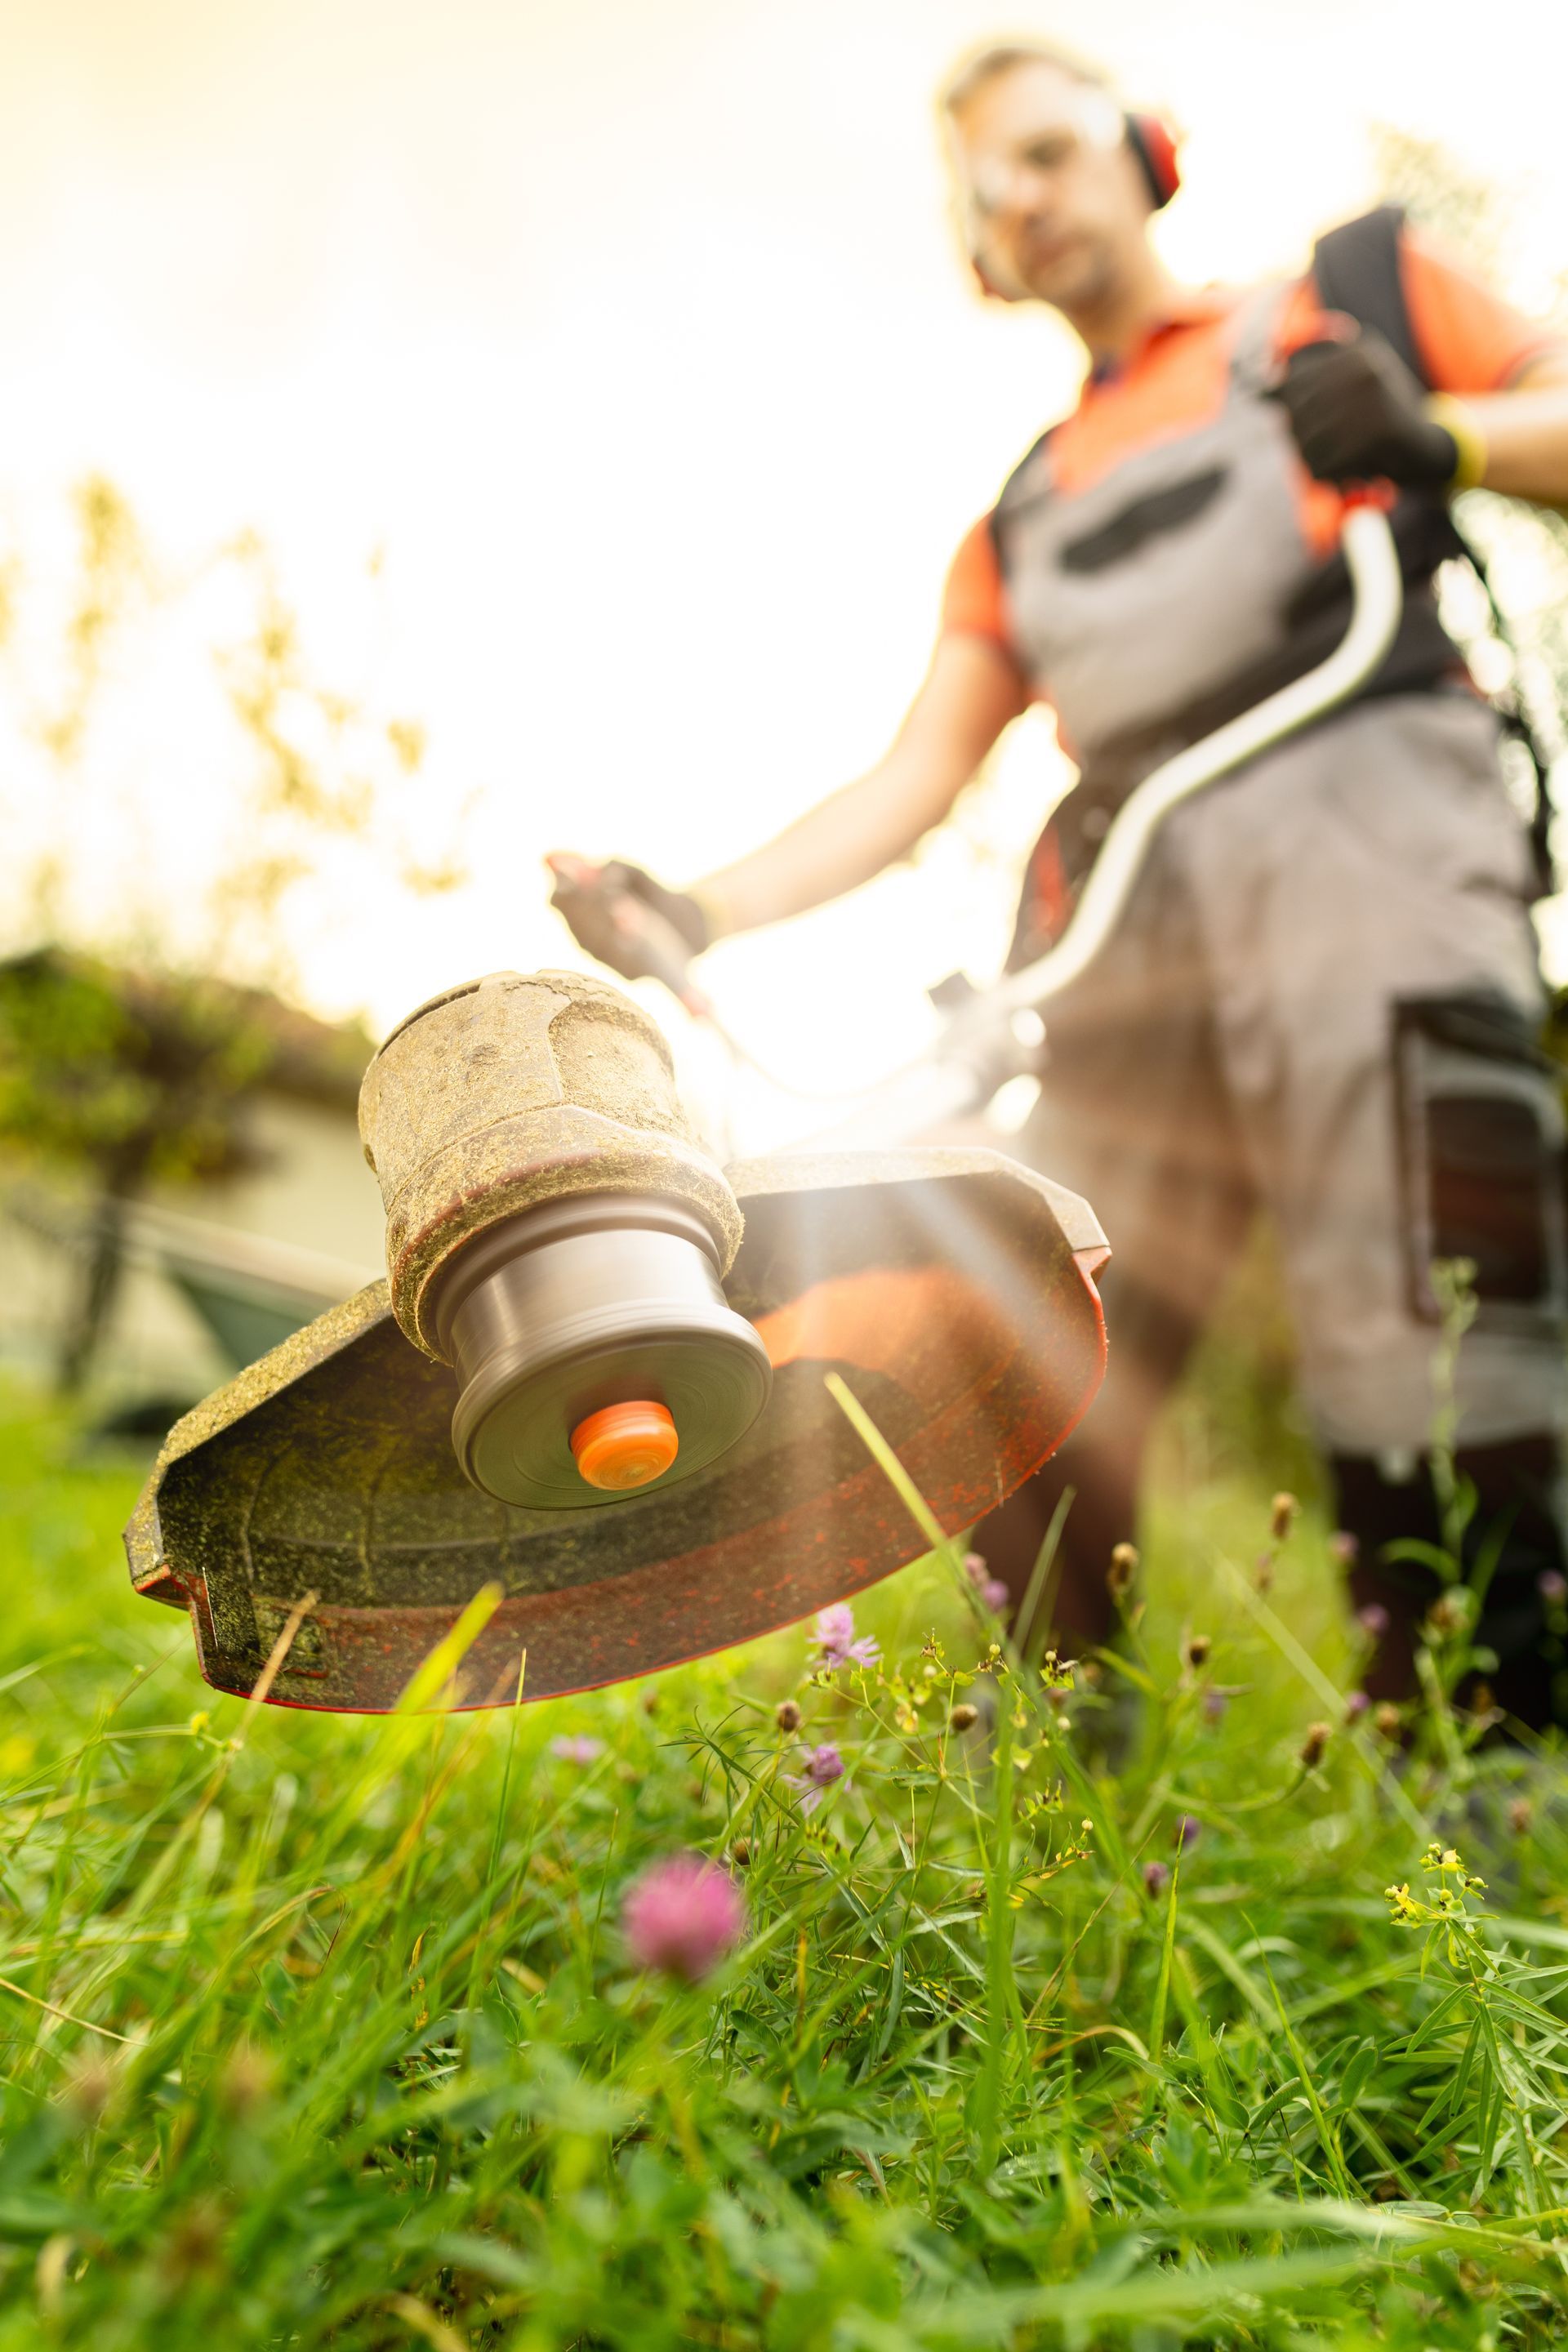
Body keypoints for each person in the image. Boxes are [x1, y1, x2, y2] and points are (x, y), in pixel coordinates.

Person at [553, 39, 1568, 1726]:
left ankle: (1496, 1772)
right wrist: (699, 911)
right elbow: (914, 775)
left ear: (1144, 149)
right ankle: (1056, 1757)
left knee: (1432, 1322)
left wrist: (1437, 434)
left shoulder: (1361, 295)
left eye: (1042, 152)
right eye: (985, 186)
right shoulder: (1023, 511)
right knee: (1051, 1327)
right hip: (1130, 940)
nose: (1018, 197)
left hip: (1382, 874)